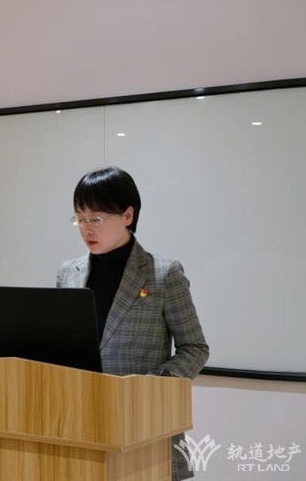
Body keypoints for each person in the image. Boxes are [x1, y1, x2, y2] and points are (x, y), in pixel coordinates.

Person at [56, 166, 209, 481]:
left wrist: (149, 388)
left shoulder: (163, 273)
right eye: (80, 219)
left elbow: (194, 348)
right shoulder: (68, 273)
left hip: (143, 427)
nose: (86, 229)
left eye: (96, 219)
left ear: (127, 215)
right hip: (79, 425)